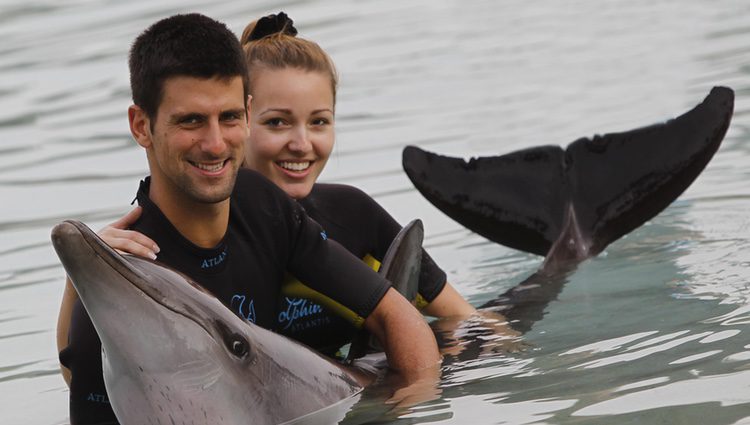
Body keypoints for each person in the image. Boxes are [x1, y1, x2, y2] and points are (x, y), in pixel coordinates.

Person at [55, 13, 440, 424]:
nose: (215, 143)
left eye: (230, 117)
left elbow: (394, 314)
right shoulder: (123, 293)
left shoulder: (260, 203)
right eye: (191, 120)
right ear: (141, 126)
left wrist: (407, 408)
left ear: (248, 111)